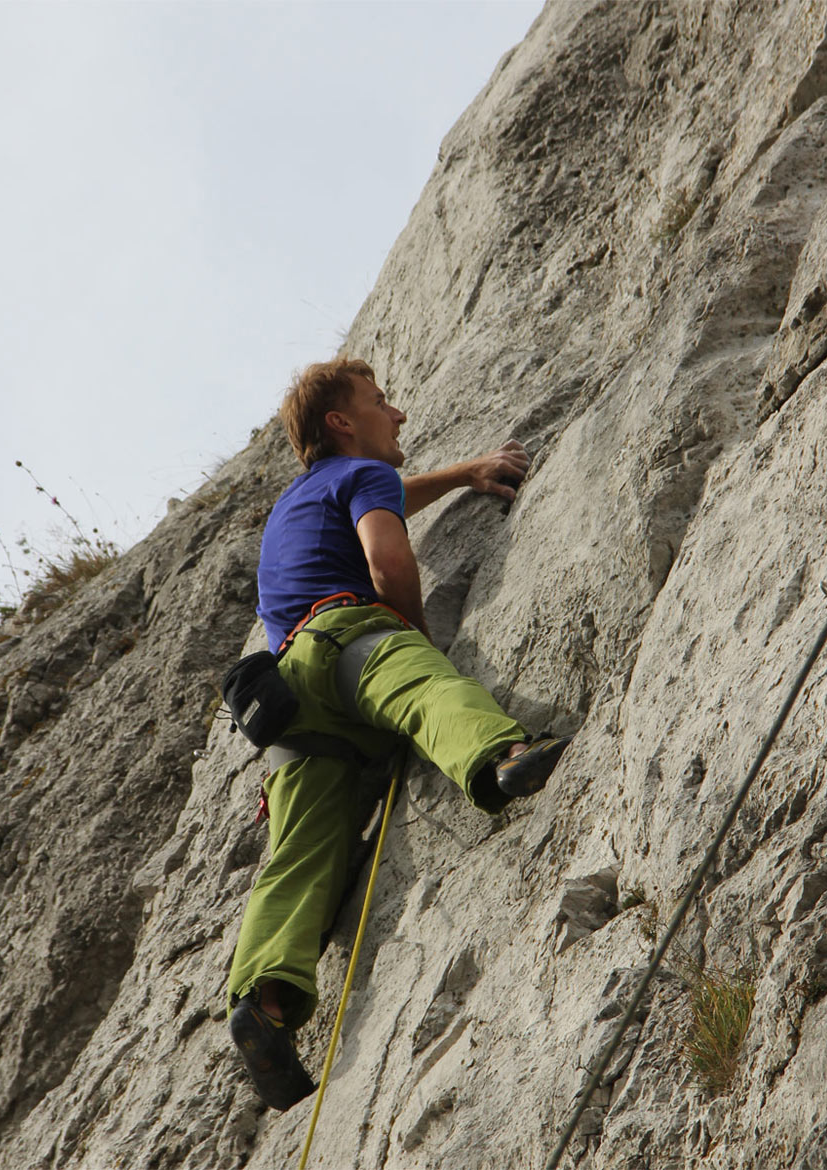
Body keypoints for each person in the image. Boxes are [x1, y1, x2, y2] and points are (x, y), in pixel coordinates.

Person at [227, 357, 572, 1109]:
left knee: (298, 857)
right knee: (426, 689)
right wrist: (410, 634)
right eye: (382, 402)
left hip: (291, 700)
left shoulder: (296, 503)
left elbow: (382, 495)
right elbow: (385, 553)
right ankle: (504, 754)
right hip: (352, 638)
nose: (400, 414)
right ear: (342, 423)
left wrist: (459, 476)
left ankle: (266, 1003)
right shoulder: (362, 479)